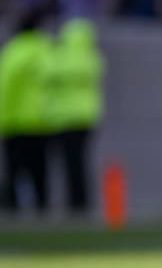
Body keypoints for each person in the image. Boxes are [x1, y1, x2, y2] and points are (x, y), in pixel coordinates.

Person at [47, 17, 105, 214]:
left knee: (69, 163)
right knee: (78, 162)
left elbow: (49, 74)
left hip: (65, 117)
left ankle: (75, 203)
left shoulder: (60, 57)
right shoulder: (92, 58)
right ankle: (80, 201)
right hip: (87, 117)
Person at [0, 11, 54, 214]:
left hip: (15, 121)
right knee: (40, 170)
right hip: (43, 121)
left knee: (15, 170)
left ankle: (13, 210)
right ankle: (43, 209)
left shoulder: (13, 52)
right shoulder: (47, 50)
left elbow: (5, 88)